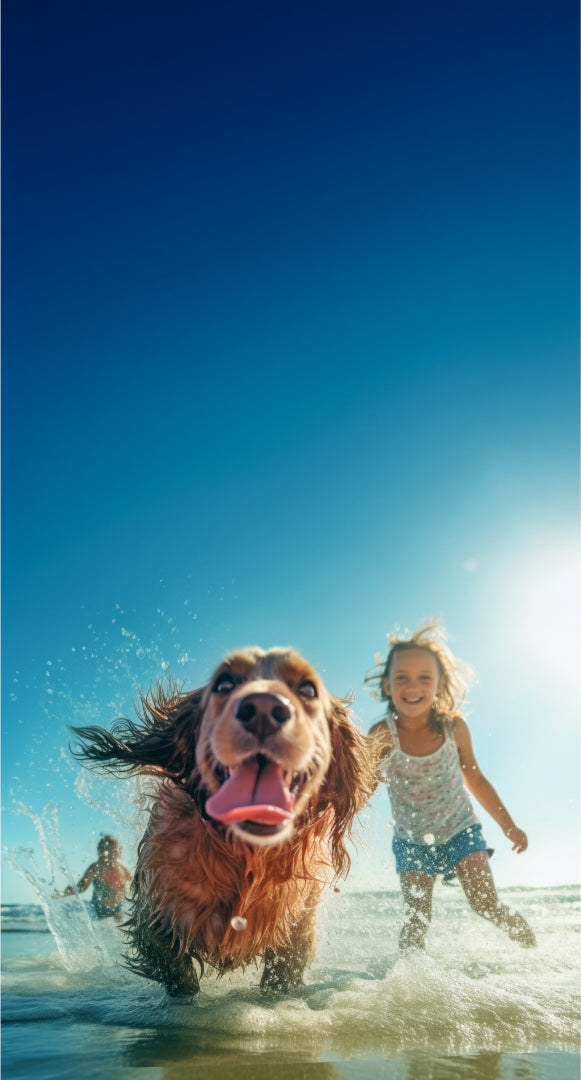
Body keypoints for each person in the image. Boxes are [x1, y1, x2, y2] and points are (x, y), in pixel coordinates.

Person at [367, 622, 536, 950]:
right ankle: (407, 979)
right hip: (411, 839)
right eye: (401, 677)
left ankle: (533, 953)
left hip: (461, 828)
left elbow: (476, 779)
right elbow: (362, 787)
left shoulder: (453, 727)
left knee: (485, 903)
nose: (412, 686)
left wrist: (508, 826)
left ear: (440, 683)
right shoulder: (382, 734)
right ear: (387, 685)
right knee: (417, 918)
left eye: (424, 677)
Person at [54, 835, 132, 921]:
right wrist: (64, 893)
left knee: (122, 911)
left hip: (118, 908)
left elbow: (132, 886)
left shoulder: (122, 869)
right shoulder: (96, 868)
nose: (112, 855)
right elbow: (81, 888)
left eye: (114, 851)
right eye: (105, 851)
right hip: (99, 909)